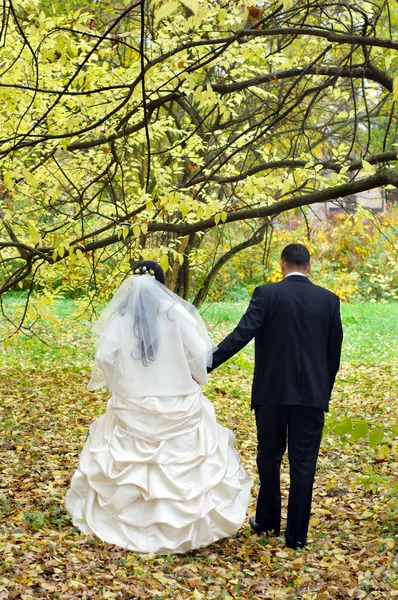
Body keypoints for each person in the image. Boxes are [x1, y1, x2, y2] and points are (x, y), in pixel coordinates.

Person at [65, 261, 251, 554]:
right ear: (164, 285)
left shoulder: (120, 318)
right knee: (180, 465)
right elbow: (199, 352)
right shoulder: (175, 313)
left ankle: (129, 526)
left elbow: (104, 358)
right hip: (178, 400)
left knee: (132, 466)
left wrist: (118, 387)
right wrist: (195, 376)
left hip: (133, 402)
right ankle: (180, 529)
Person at [208, 243, 343, 550]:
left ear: (282, 265)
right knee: (304, 463)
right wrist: (324, 390)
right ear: (309, 267)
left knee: (268, 455)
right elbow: (333, 354)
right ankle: (296, 536)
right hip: (311, 396)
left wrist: (205, 364)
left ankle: (268, 519)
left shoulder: (266, 295)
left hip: (271, 394)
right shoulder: (329, 301)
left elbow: (241, 335)